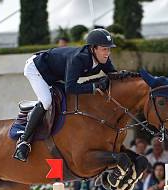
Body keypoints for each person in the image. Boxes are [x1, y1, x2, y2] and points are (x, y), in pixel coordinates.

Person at [13, 28, 117, 162]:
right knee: (46, 101)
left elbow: (114, 75)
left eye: (109, 49)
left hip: (56, 74)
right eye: (104, 49)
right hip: (36, 68)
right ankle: (24, 141)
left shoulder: (103, 60)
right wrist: (94, 86)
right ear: (93, 48)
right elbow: (70, 87)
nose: (107, 53)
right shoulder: (78, 59)